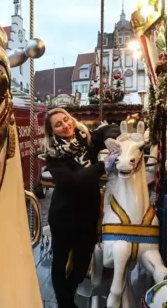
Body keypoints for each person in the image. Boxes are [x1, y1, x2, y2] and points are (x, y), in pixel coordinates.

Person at [43, 107, 121, 308]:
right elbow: (74, 181)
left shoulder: (86, 139)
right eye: (58, 124)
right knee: (60, 263)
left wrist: (110, 140)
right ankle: (65, 304)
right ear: (52, 132)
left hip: (88, 214)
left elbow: (109, 127)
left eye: (66, 119)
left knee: (81, 265)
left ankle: (67, 296)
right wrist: (101, 166)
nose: (65, 125)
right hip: (64, 217)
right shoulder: (53, 156)